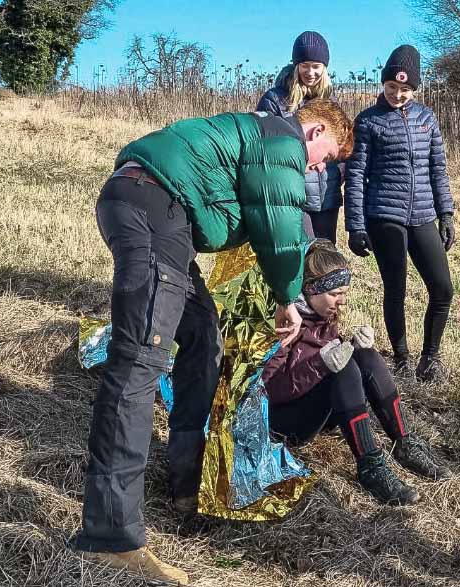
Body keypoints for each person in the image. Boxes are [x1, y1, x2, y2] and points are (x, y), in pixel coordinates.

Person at [74, 99, 353, 585]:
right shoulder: (280, 141)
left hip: (162, 214)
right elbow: (279, 225)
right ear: (315, 130)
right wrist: (289, 297)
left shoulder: (263, 139)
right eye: (326, 156)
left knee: (204, 338)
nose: (319, 168)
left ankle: (185, 485)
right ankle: (110, 537)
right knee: (139, 362)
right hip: (152, 204)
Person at [262, 239, 451, 505]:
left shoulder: (322, 313)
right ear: (311, 289)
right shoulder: (284, 320)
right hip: (285, 422)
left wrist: (355, 345)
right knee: (343, 369)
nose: (342, 302)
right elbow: (269, 389)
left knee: (364, 354)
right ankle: (370, 465)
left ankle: (405, 442)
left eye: (345, 293)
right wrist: (321, 365)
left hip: (318, 410)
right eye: (336, 293)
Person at [345, 44, 455, 383]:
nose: (397, 94)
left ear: (415, 89)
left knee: (443, 289)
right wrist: (356, 225)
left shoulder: (427, 118)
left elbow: (438, 167)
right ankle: (403, 358)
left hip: (423, 213)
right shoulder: (368, 121)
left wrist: (446, 213)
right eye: (392, 87)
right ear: (383, 84)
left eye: (405, 90)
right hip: (384, 216)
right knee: (396, 289)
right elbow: (356, 175)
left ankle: (430, 358)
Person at [257, 31, 344, 243]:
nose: (310, 72)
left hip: (326, 198)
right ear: (296, 65)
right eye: (305, 65)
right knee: (304, 257)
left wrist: (339, 173)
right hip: (293, 198)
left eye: (316, 66)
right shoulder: (275, 100)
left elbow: (341, 147)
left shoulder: (330, 103)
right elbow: (263, 148)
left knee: (325, 259)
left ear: (325, 68)